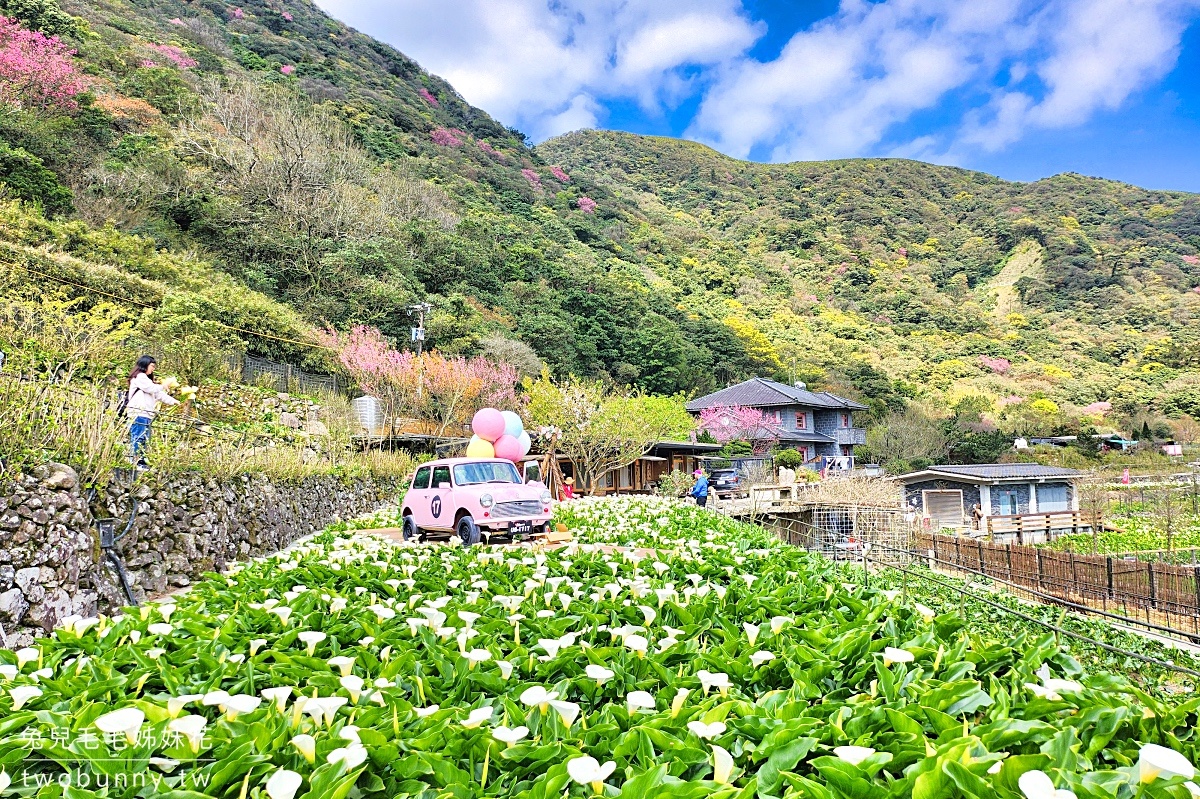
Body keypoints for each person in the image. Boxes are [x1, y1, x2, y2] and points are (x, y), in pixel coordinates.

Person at [126, 355, 179, 469]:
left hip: (146, 413)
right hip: (138, 412)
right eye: (152, 366)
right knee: (138, 437)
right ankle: (134, 461)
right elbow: (152, 389)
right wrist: (163, 385)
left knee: (144, 438)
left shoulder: (147, 381)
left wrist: (173, 401)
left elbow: (158, 394)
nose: (153, 369)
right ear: (145, 364)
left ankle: (140, 461)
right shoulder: (140, 377)